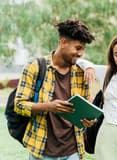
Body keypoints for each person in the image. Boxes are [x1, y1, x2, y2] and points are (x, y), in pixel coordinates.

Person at [14, 19, 96, 160]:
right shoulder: (35, 67)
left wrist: (89, 120)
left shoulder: (82, 72)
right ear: (63, 42)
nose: (81, 53)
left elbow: (85, 108)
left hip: (73, 151)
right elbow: (19, 105)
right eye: (78, 48)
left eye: (83, 49)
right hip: (41, 150)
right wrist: (50, 106)